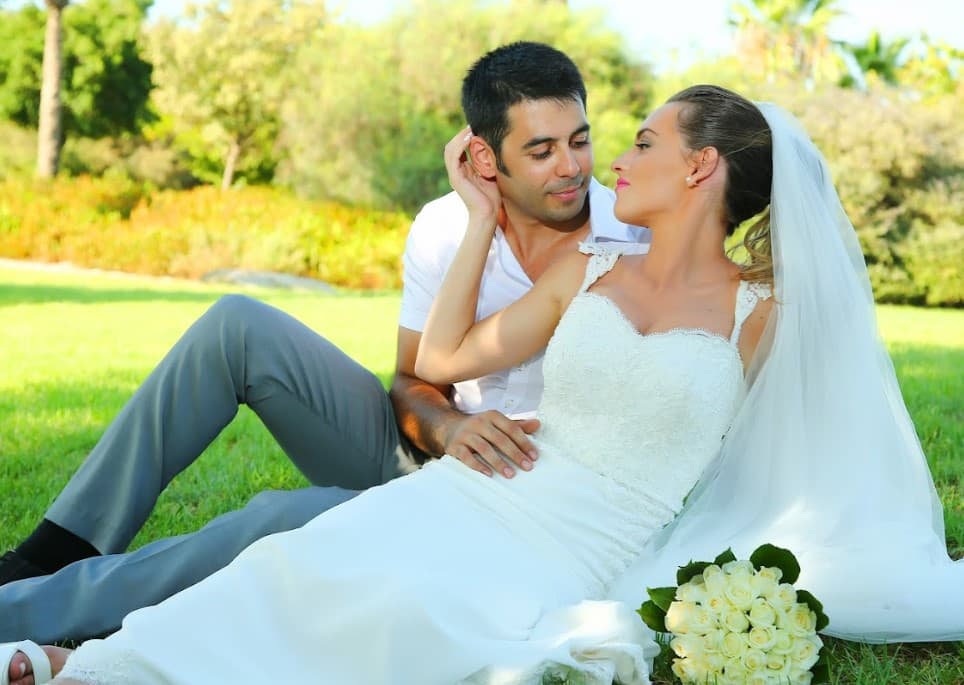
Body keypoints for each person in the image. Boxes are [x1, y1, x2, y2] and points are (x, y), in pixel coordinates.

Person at [5, 81, 964, 684]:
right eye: (548, 149)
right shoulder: (587, 267)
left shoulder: (769, 310)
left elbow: (814, 436)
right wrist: (473, 221)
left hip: (587, 532)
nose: (600, 163)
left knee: (402, 603)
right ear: (494, 157)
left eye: (624, 141)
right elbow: (443, 362)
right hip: (479, 477)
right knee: (296, 551)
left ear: (701, 166)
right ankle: (86, 661)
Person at [0, 41, 648, 645]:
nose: (571, 167)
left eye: (580, 140)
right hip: (422, 453)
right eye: (541, 151)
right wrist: (449, 428)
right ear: (485, 158)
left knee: (289, 516)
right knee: (237, 323)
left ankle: (25, 614)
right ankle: (56, 548)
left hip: (517, 496)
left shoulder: (633, 237)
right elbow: (412, 380)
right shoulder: (446, 226)